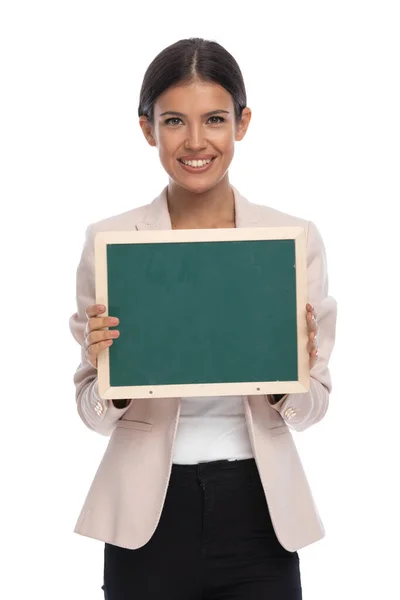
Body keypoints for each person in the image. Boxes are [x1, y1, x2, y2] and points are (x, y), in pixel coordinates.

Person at [69, 37, 337, 600]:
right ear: (148, 129)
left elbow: (313, 408)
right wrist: (109, 375)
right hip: (147, 515)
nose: (196, 142)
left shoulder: (291, 241)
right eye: (173, 121)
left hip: (259, 508)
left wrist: (292, 372)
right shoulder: (112, 244)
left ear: (242, 123)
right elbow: (91, 412)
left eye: (214, 119)